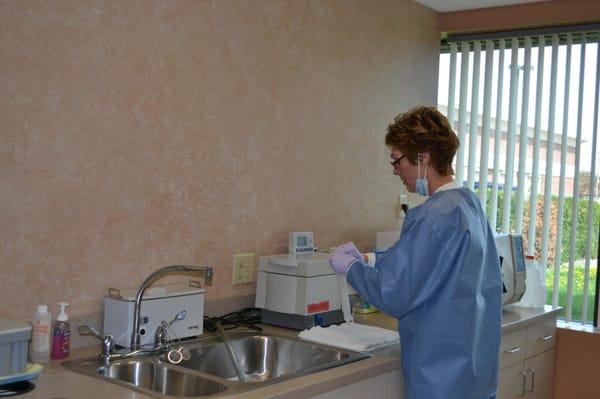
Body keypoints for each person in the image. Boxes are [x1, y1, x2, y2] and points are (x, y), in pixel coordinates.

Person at [330, 106, 502, 399]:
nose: (395, 170)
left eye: (397, 160)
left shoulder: (432, 216)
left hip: (439, 380)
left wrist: (352, 268)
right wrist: (372, 259)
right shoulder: (468, 206)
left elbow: (394, 294)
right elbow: (431, 261)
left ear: (423, 157)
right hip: (473, 377)